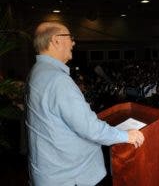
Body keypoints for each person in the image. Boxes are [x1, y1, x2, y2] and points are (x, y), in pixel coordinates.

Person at [25, 21, 145, 186]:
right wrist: (126, 135)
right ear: (56, 40)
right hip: (71, 177)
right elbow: (89, 129)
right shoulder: (57, 80)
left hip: (51, 172)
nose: (73, 43)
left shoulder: (37, 72)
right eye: (70, 37)